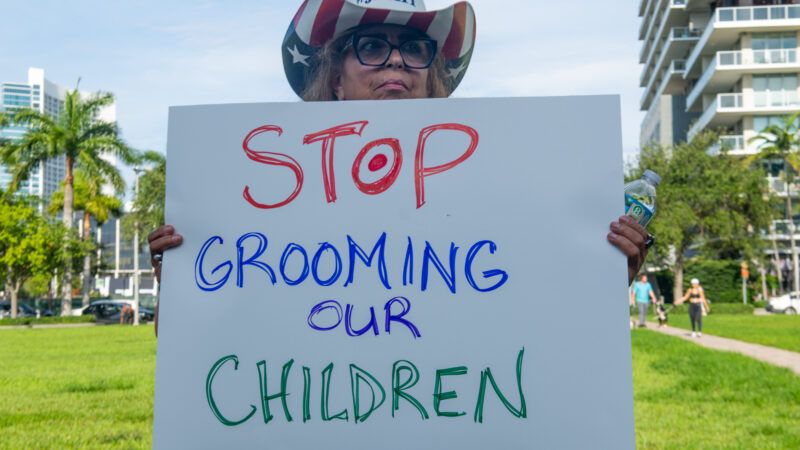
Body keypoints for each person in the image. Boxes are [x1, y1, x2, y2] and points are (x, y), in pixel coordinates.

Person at [148, 0, 652, 334]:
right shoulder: (265, 186)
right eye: (372, 45)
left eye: (414, 49)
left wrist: (601, 272)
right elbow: (224, 336)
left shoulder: (500, 183)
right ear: (336, 79)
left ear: (431, 76)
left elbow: (533, 315)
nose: (396, 61)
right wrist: (185, 282)